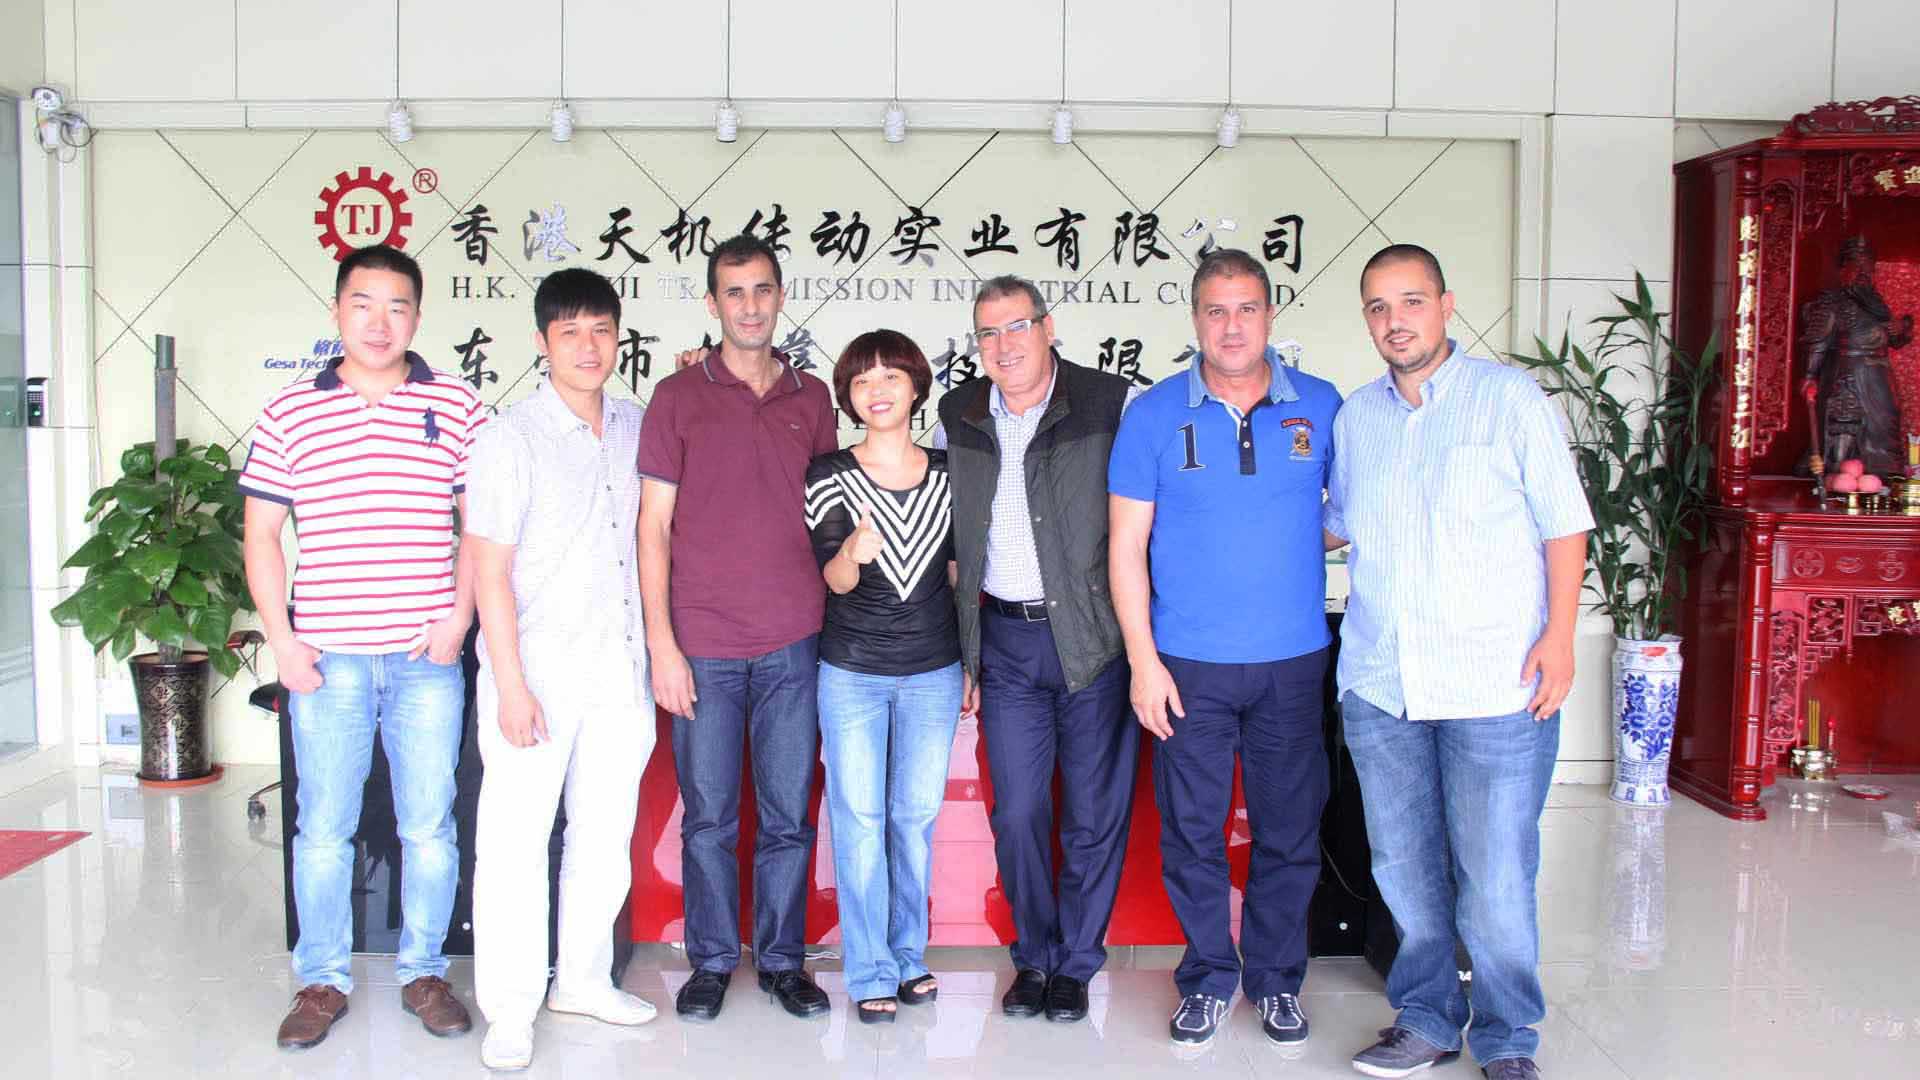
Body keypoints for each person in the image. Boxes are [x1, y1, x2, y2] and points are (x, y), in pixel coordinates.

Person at [1328, 244, 1592, 1080]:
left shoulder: (1510, 399)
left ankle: (1508, 1038)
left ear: (1446, 306)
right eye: (1378, 306)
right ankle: (1427, 1019)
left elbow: (1564, 525)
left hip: (1495, 683)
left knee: (1497, 877)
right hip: (1383, 685)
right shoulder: (1356, 418)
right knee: (1404, 871)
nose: (1394, 320)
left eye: (1411, 301)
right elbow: (1335, 525)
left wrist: (1560, 637)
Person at [241, 244, 482, 1050]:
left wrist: (457, 620)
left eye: (397, 306)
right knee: (322, 830)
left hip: (425, 660)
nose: (380, 323)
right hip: (327, 661)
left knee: (430, 828)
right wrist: (284, 643)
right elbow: (262, 535)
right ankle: (320, 981)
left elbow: (479, 527)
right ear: (337, 311)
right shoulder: (290, 412)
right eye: (363, 304)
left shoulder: (457, 403)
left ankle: (425, 973)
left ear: (418, 316)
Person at [1107, 248, 1341, 1049]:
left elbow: (1350, 512)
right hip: (1187, 665)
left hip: (1293, 660)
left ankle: (1275, 981)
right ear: (1195, 319)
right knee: (1192, 832)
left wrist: (1281, 545)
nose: (1231, 326)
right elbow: (1125, 547)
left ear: (1270, 315)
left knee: (1289, 831)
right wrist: (1143, 661)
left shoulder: (1323, 405)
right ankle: (1208, 976)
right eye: (1215, 310)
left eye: (1246, 309)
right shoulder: (1153, 415)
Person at [636, 234, 838, 1022]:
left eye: (761, 290)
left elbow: (831, 513)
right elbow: (653, 528)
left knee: (789, 816)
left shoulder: (812, 398)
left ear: (780, 295)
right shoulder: (677, 397)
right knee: (710, 819)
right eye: (734, 292)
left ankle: (783, 962)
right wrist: (663, 644)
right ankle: (713, 962)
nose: (749, 306)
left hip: (795, 638)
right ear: (713, 303)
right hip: (705, 647)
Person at [465, 268, 658, 1070]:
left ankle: (580, 980)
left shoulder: (638, 425)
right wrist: (510, 684)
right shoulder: (508, 438)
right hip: (536, 671)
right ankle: (510, 1010)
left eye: (601, 330)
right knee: (515, 843)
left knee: (603, 837)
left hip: (619, 667)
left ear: (619, 337)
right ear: (542, 342)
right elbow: (488, 570)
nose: (588, 346)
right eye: (570, 332)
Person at [934, 274, 1138, 1025]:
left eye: (1017, 326)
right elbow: (946, 537)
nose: (1004, 345)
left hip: (1093, 637)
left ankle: (1075, 966)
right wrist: (964, 649)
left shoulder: (1110, 403)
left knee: (1092, 813)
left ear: (1048, 329)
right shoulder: (957, 414)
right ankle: (1034, 958)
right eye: (988, 333)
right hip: (1006, 641)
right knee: (1017, 811)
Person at [804, 330, 963, 1025]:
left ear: (916, 386)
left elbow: (957, 575)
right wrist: (853, 551)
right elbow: (833, 580)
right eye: (862, 379)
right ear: (848, 395)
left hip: (934, 671)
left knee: (914, 818)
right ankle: (869, 967)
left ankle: (908, 955)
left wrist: (972, 664)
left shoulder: (952, 473)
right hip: (853, 673)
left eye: (891, 376)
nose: (877, 389)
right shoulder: (828, 473)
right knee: (860, 819)